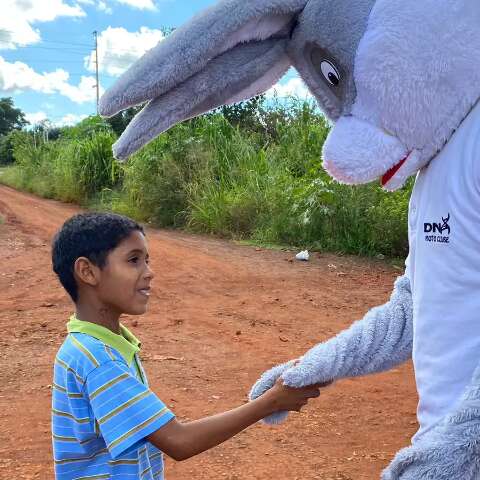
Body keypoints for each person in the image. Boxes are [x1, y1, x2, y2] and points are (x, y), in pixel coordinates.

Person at [50, 212, 323, 480]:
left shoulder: (97, 345)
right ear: (87, 271)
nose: (149, 273)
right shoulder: (98, 360)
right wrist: (272, 401)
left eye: (147, 260)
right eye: (134, 260)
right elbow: (178, 441)